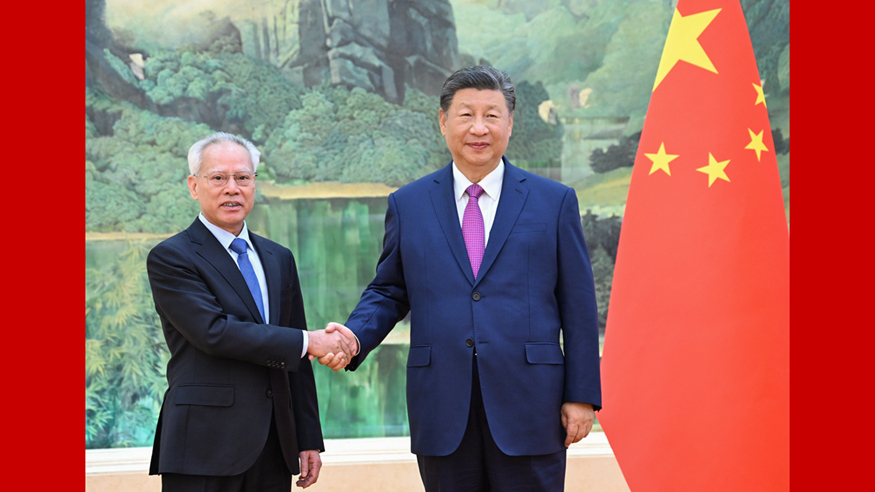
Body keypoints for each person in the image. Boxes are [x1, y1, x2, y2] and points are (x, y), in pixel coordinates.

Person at [321, 65, 602, 491]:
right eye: (466, 114)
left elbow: (578, 305)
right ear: (443, 121)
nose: (479, 128)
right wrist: (354, 337)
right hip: (442, 405)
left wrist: (581, 395)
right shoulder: (409, 204)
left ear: (510, 123)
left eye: (492, 115)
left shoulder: (553, 201)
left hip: (532, 405)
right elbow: (389, 290)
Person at [146, 132, 358, 491]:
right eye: (218, 177)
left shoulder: (279, 258)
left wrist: (307, 438)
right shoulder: (172, 257)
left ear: (254, 184)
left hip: (273, 446)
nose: (232, 188)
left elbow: (295, 355)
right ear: (194, 186)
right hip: (203, 446)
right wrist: (310, 341)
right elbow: (214, 332)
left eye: (242, 177)